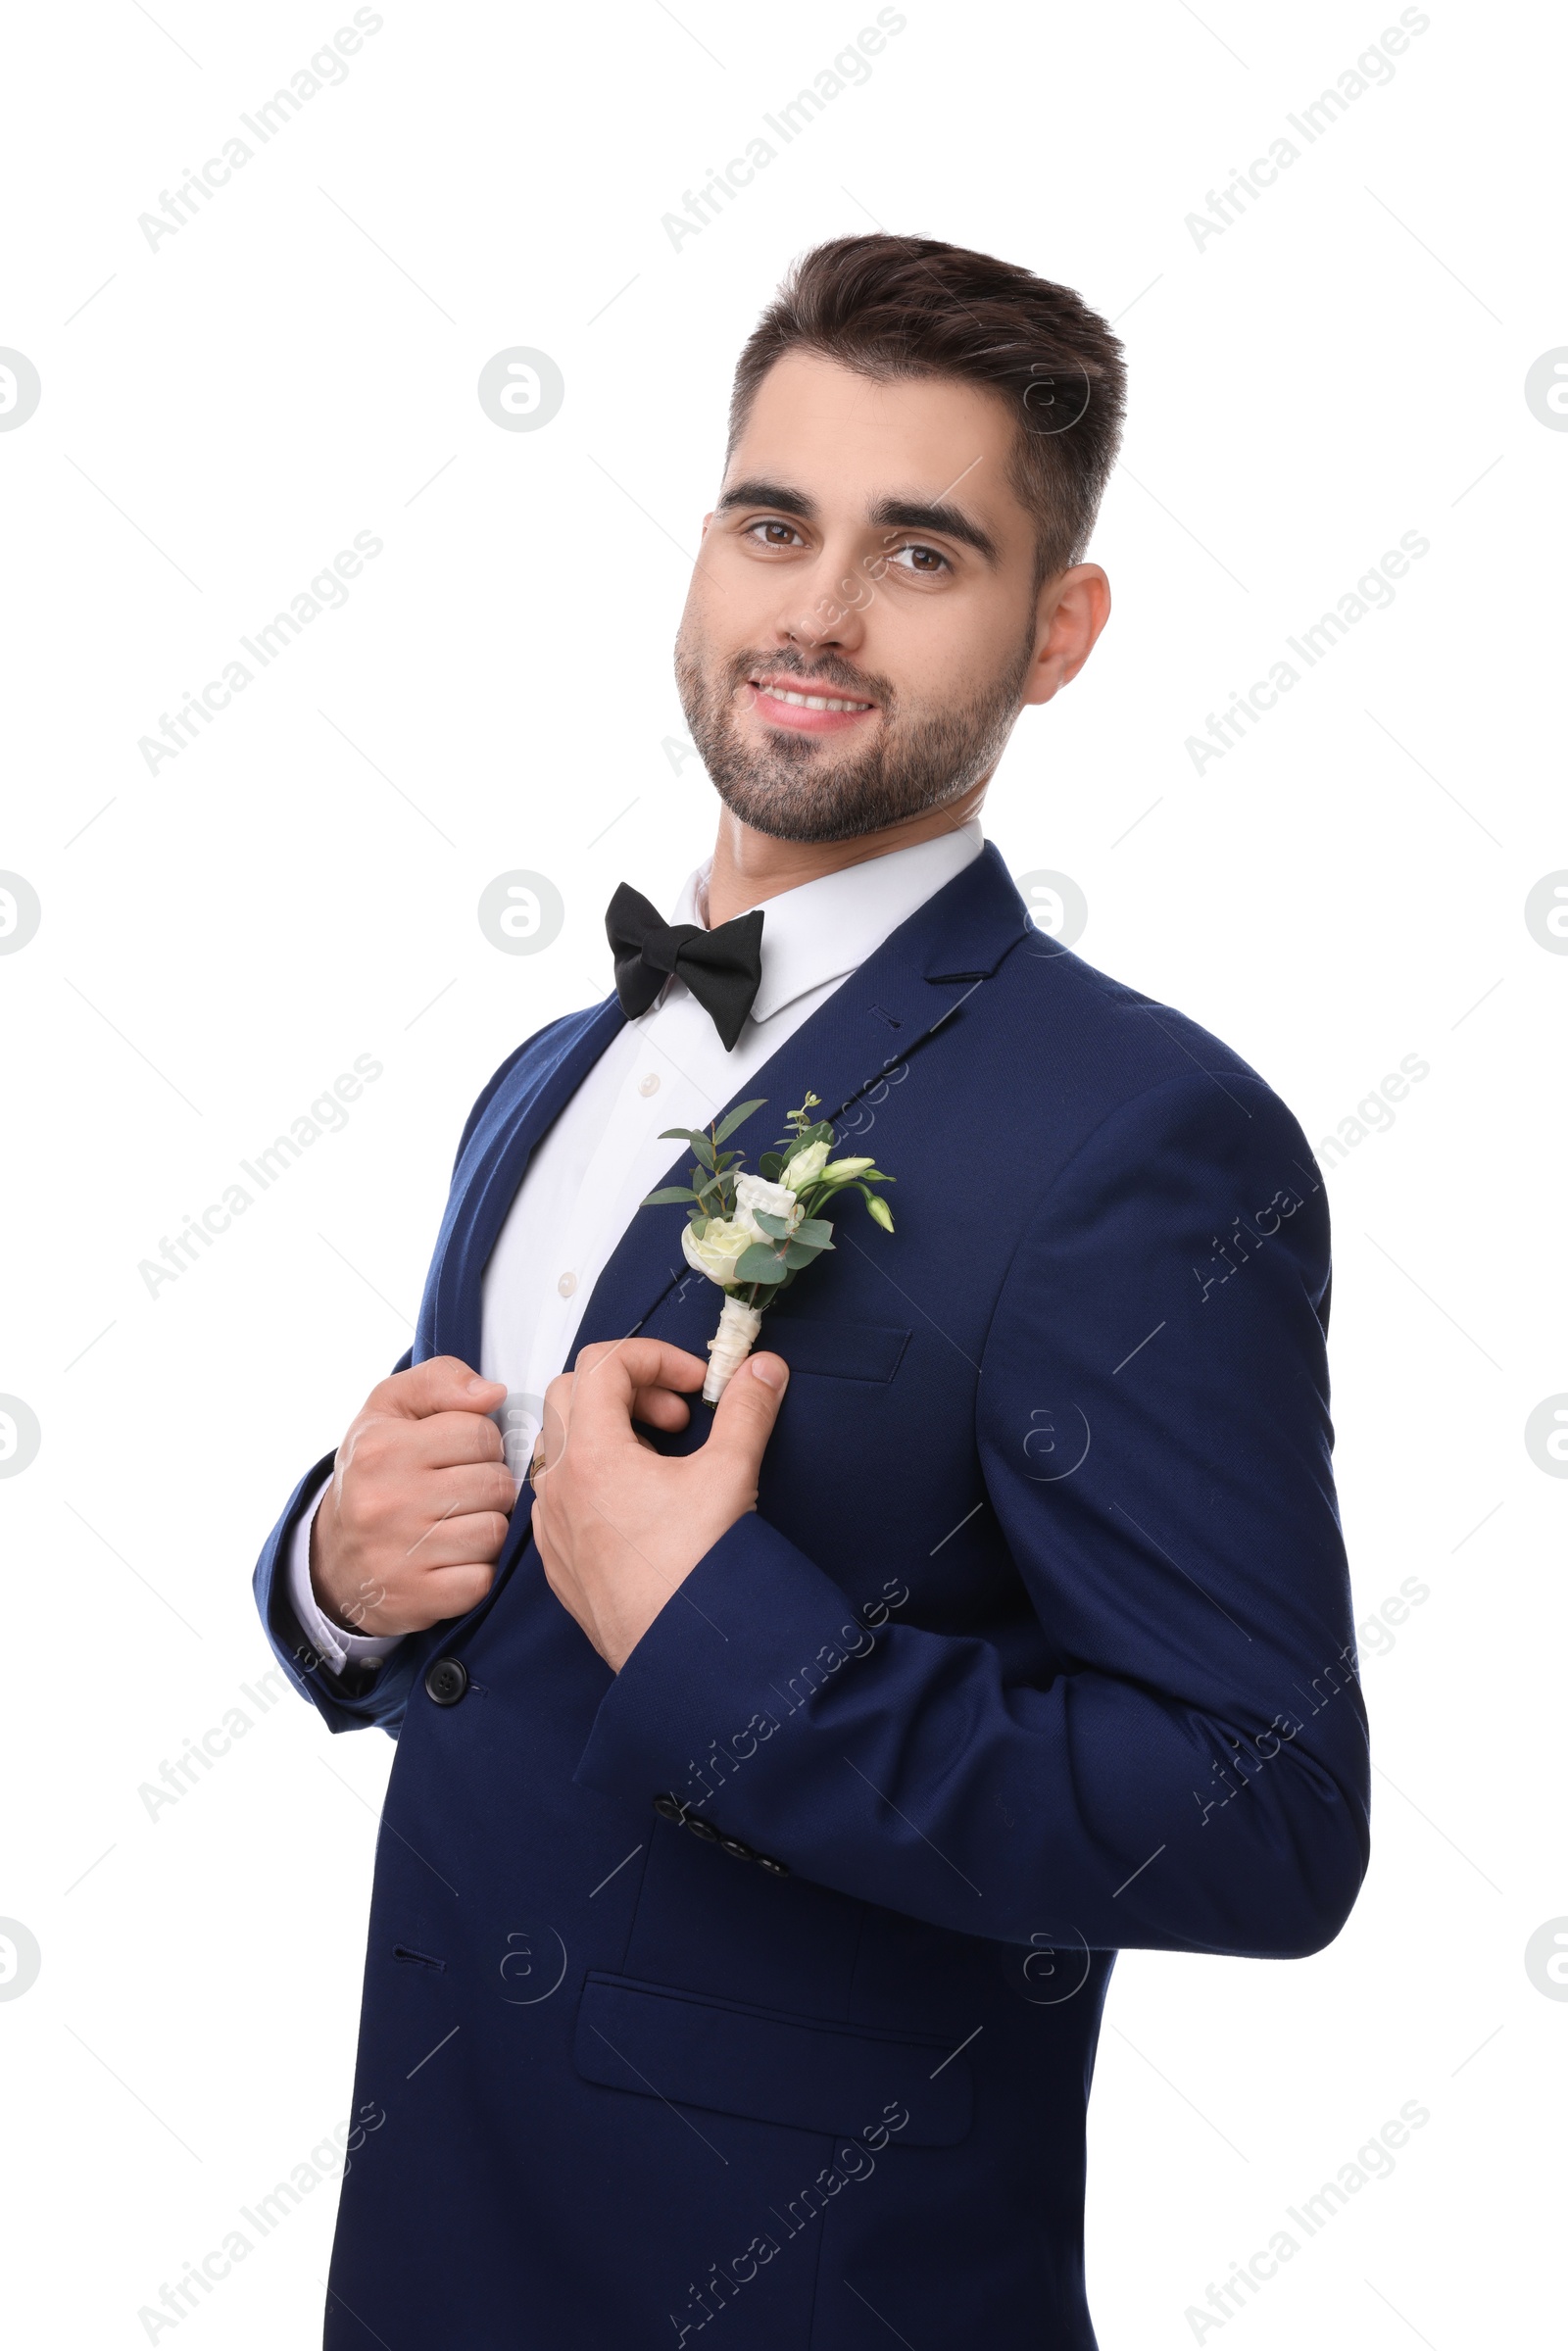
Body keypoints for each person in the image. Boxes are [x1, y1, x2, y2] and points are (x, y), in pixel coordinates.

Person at [253, 233, 1370, 2348]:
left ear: (1058, 635)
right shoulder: (543, 1074)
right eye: (773, 524)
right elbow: (486, 1640)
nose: (816, 613)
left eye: (919, 554)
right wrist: (332, 1571)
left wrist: (714, 1629)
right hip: (426, 2249)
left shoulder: (1138, 1137)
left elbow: (1262, 1819)